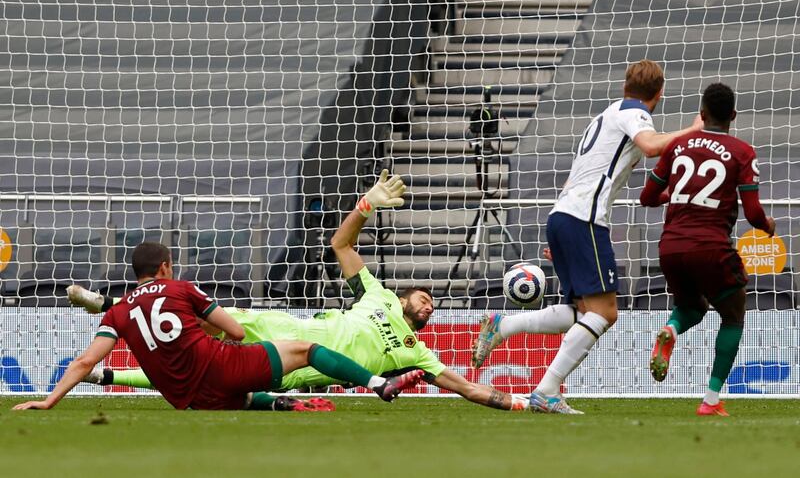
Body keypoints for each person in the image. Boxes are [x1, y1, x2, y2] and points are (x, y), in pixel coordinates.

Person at [70, 171, 529, 412]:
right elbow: (341, 243)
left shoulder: (417, 355)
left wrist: (524, 401)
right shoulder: (376, 293)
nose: (428, 301)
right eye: (423, 295)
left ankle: (104, 371)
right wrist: (365, 206)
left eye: (432, 304)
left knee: (197, 378)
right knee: (199, 328)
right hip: (286, 329)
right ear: (404, 294)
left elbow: (467, 388)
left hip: (296, 368)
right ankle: (112, 305)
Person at [472, 60, 704, 414]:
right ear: (659, 94)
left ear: (626, 85)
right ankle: (546, 391)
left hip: (565, 215)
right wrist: (691, 131)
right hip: (584, 221)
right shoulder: (634, 114)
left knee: (579, 310)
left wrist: (563, 230)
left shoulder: (605, 115)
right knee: (605, 313)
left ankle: (506, 325)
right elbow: (652, 145)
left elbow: (579, 174)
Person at [12, 242, 423, 411]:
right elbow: (238, 331)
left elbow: (84, 361)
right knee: (305, 351)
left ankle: (281, 404)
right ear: (165, 268)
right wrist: (218, 328)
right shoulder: (180, 288)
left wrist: (49, 401)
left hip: (185, 396)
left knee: (232, 393)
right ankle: (377, 385)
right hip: (221, 370)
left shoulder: (117, 315)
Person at [639, 82, 774, 416]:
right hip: (711, 246)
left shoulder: (678, 145)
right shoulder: (743, 152)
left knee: (693, 308)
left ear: (701, 114)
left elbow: (647, 198)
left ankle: (670, 329)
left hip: (670, 247)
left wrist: (671, 196)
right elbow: (753, 212)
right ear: (733, 116)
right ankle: (711, 400)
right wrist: (768, 225)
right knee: (732, 315)